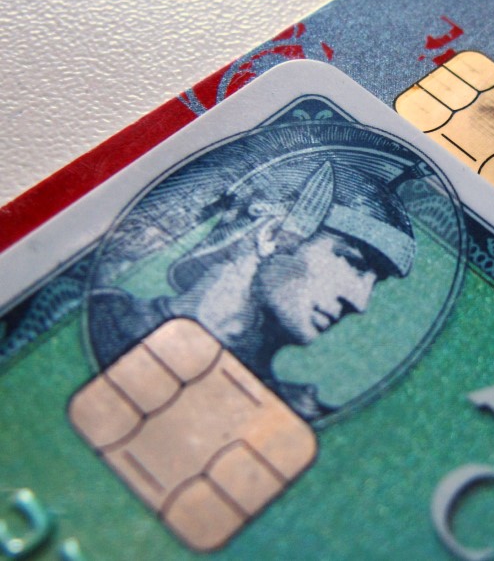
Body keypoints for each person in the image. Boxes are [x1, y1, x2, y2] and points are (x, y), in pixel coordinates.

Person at [89, 154, 416, 420]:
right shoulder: (103, 320)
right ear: (271, 234)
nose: (360, 302)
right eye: (354, 262)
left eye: (375, 282)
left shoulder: (299, 416)